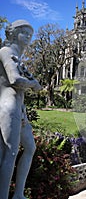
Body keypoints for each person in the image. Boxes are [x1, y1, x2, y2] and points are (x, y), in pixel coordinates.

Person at [0, 20, 41, 199]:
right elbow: (14, 80)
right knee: (10, 152)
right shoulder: (6, 51)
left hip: (20, 108)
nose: (28, 37)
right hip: (8, 107)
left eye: (30, 35)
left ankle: (18, 194)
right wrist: (33, 84)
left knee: (30, 147)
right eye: (24, 33)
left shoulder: (18, 56)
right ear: (14, 34)